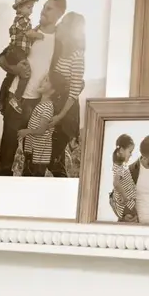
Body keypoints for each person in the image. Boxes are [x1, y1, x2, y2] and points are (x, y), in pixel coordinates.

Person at [0, 0, 67, 176]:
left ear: (59, 14)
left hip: (39, 105)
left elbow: (65, 75)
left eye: (49, 8)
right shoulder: (28, 33)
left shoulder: (59, 43)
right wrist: (15, 69)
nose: (42, 11)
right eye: (43, 7)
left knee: (32, 157)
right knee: (7, 153)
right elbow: (1, 59)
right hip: (15, 99)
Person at [45, 11, 86, 177]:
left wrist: (59, 117)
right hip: (53, 107)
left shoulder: (77, 56)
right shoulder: (57, 51)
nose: (58, 25)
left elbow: (74, 93)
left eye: (62, 23)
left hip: (66, 114)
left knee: (50, 158)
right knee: (56, 161)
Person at [0, 0, 44, 114]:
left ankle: (0, 100)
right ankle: (16, 98)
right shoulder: (23, 20)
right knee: (26, 73)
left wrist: (36, 29)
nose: (31, 11)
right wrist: (40, 35)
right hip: (17, 51)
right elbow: (29, 34)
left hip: (16, 51)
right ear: (19, 8)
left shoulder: (21, 21)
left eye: (32, 7)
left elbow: (27, 33)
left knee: (10, 76)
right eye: (28, 7)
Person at [16, 76, 57, 176]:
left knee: (35, 178)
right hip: (33, 152)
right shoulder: (41, 104)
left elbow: (41, 130)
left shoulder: (47, 107)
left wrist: (27, 131)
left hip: (39, 155)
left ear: (52, 91)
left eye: (46, 80)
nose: (41, 81)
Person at [108, 134, 137, 220]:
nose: (131, 155)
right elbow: (115, 183)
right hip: (127, 204)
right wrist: (125, 197)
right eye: (130, 152)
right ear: (121, 150)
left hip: (127, 204)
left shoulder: (121, 166)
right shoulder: (119, 167)